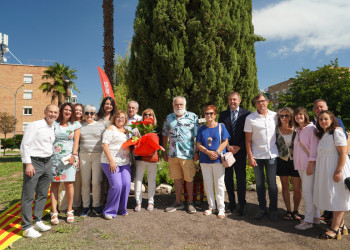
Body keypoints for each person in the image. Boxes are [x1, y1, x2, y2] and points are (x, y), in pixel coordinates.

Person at [20, 104, 59, 238]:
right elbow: (25, 145)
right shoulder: (34, 125)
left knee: (42, 194)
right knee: (28, 195)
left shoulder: (53, 127)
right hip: (34, 162)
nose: (53, 114)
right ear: (45, 111)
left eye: (55, 112)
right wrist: (28, 164)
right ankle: (26, 227)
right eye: (50, 112)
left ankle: (37, 220)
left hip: (47, 162)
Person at [314, 110, 350, 239]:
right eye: (320, 119)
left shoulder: (337, 132)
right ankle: (341, 227)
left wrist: (338, 171)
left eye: (325, 119)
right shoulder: (324, 134)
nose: (323, 121)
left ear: (331, 120)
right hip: (328, 170)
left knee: (338, 198)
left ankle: (335, 229)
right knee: (334, 196)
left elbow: (343, 153)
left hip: (336, 169)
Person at [244, 93, 279, 221]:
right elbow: (248, 140)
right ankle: (262, 208)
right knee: (259, 185)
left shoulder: (275, 116)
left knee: (272, 185)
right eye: (258, 102)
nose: (261, 103)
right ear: (255, 104)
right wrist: (250, 157)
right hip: (257, 155)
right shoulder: (250, 118)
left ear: (268, 102)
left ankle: (274, 210)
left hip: (272, 155)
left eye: (263, 101)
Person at [163, 96, 199, 213]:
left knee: (189, 179)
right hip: (173, 154)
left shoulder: (192, 117)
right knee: (177, 179)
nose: (179, 106)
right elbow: (164, 134)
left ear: (185, 105)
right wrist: (164, 151)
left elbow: (197, 136)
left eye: (181, 104)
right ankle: (178, 202)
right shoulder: (169, 118)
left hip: (187, 154)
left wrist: (197, 152)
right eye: (176, 104)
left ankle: (190, 203)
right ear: (173, 105)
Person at [218, 92, 250, 216]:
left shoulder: (247, 114)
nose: (232, 102)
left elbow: (247, 133)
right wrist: (227, 146)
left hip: (240, 151)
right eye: (230, 99)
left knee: (241, 179)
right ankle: (231, 204)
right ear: (228, 101)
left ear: (239, 100)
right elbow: (221, 132)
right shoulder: (223, 114)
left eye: (235, 99)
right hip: (227, 152)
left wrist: (239, 147)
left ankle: (242, 205)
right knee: (228, 178)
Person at [196, 105, 230, 219]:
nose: (209, 115)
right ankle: (211, 206)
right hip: (205, 160)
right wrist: (208, 152)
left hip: (218, 160)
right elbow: (198, 144)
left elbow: (225, 141)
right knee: (208, 183)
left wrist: (216, 152)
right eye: (206, 113)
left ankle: (221, 208)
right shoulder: (201, 129)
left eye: (211, 113)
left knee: (219, 184)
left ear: (215, 115)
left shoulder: (221, 126)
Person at [50, 103, 81, 224]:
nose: (68, 112)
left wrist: (74, 155)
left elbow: (76, 141)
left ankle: (69, 210)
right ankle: (54, 212)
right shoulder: (54, 124)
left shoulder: (75, 125)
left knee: (69, 184)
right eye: (66, 110)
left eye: (70, 110)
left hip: (69, 158)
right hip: (54, 158)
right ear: (61, 111)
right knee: (54, 185)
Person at [293, 107, 320, 230]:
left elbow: (314, 148)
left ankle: (308, 221)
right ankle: (315, 217)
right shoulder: (298, 130)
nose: (298, 117)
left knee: (308, 193)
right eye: (296, 115)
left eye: (301, 115)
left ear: (305, 115)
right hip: (301, 166)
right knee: (311, 192)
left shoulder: (311, 128)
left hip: (308, 165)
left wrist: (310, 164)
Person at [101, 111, 131, 219]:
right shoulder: (110, 129)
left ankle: (122, 209)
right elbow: (104, 145)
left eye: (123, 117)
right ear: (114, 118)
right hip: (110, 162)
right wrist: (111, 161)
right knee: (117, 185)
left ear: (125, 120)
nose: (120, 119)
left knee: (126, 184)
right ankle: (109, 211)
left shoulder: (127, 131)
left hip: (125, 163)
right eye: (118, 117)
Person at [79, 105, 106, 217]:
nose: (89, 115)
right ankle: (85, 206)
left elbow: (105, 141)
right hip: (84, 155)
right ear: (83, 114)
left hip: (97, 155)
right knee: (85, 182)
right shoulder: (79, 125)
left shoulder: (100, 126)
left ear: (95, 115)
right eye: (87, 113)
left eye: (92, 113)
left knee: (96, 181)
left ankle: (96, 205)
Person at [275, 108, 301, 220]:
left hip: (296, 161)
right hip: (282, 160)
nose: (284, 118)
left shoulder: (297, 129)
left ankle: (296, 211)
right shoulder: (276, 130)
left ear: (290, 117)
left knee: (297, 188)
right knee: (285, 187)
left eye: (286, 116)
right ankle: (288, 211)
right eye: (281, 116)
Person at [58, 103, 84, 212]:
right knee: (63, 182)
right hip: (68, 155)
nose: (78, 112)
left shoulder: (83, 123)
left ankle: (76, 204)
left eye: (80, 110)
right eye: (76, 110)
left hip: (80, 155)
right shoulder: (66, 123)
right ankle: (63, 206)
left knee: (77, 182)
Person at [134, 109, 160, 212]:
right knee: (138, 180)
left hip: (152, 157)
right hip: (140, 157)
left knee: (151, 180)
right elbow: (135, 141)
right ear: (142, 116)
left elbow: (161, 142)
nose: (148, 116)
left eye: (150, 114)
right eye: (145, 114)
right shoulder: (138, 128)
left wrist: (155, 150)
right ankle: (138, 202)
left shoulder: (157, 128)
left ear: (153, 116)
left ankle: (150, 201)